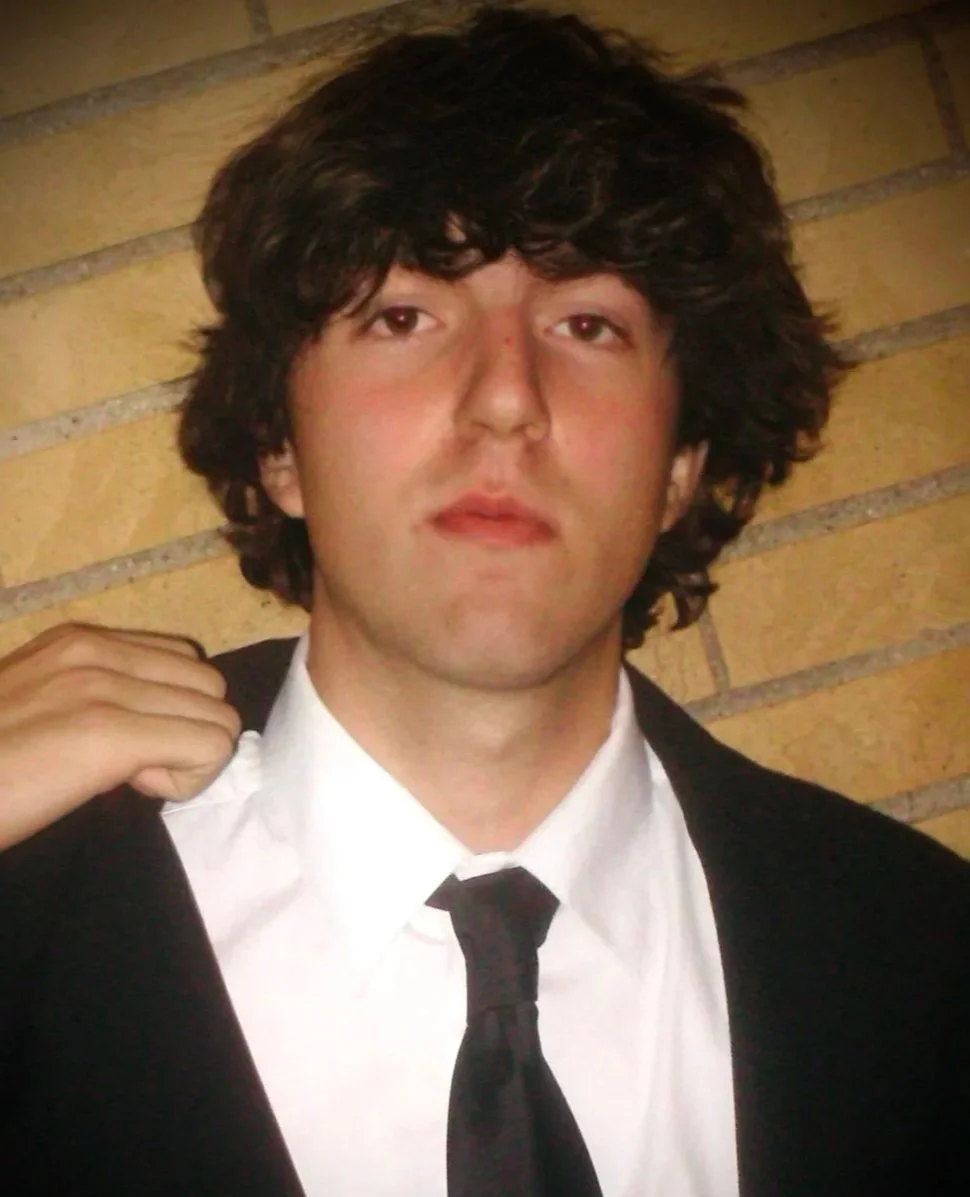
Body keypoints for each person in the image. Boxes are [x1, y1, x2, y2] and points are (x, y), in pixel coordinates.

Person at [1, 6, 967, 1196]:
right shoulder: (28, 900)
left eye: (587, 324)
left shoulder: (925, 960)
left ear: (679, 467)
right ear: (277, 447)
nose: (506, 397)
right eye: (403, 317)